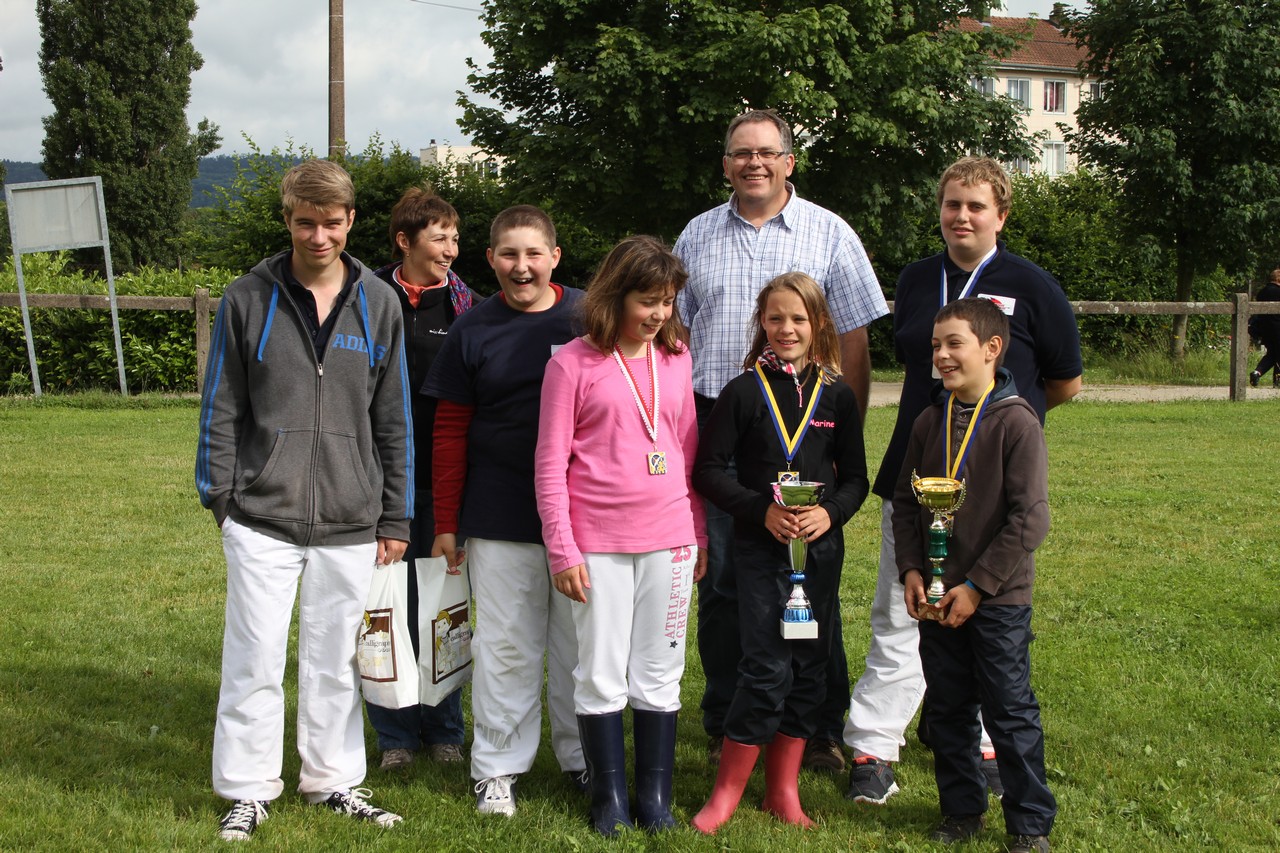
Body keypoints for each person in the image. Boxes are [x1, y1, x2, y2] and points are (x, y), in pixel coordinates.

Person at [843, 156, 1081, 806]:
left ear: (1001, 214)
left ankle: (978, 739)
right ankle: (874, 742)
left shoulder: (1032, 285)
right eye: (952, 204)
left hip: (992, 489)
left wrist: (1006, 429)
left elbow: (1065, 378)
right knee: (901, 609)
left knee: (982, 614)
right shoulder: (919, 279)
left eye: (976, 206)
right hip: (918, 473)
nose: (962, 216)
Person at [196, 159, 411, 841]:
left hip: (352, 517)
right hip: (261, 517)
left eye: (331, 222)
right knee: (254, 657)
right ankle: (247, 788)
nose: (319, 235)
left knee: (335, 660)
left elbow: (393, 415)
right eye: (305, 221)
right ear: (288, 219)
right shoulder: (246, 298)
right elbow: (220, 405)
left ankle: (333, 779)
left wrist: (396, 511)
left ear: (351, 221)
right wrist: (222, 499)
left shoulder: (378, 301)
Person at [674, 108, 888, 773]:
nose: (754, 163)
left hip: (806, 428)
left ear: (789, 162)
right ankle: (729, 719)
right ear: (726, 164)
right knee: (725, 585)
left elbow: (853, 338)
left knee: (809, 576)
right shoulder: (696, 235)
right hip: (720, 421)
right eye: (741, 152)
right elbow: (675, 334)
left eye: (767, 152)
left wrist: (834, 425)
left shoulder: (830, 233)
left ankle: (818, 724)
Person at [534, 235, 708, 835]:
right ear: (615, 295)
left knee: (660, 668)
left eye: (667, 301)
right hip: (597, 543)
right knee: (601, 669)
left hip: (671, 537)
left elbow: (686, 455)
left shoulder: (677, 358)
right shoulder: (572, 362)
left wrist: (699, 535)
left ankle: (653, 797)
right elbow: (550, 464)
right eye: (647, 301)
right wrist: (563, 547)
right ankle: (608, 797)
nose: (658, 314)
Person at [422, 205, 586, 818]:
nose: (522, 267)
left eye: (533, 254)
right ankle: (497, 769)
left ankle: (582, 761)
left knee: (580, 648)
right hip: (498, 512)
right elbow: (450, 431)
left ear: (554, 258)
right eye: (509, 255)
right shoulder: (474, 328)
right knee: (507, 648)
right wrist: (447, 520)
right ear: (490, 260)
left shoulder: (590, 317)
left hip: (583, 515)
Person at [690, 273, 869, 833]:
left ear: (819, 324)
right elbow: (708, 471)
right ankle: (725, 795)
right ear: (760, 324)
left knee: (810, 670)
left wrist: (829, 513)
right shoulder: (743, 392)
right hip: (760, 552)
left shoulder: (836, 394)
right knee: (765, 667)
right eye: (775, 318)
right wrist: (758, 510)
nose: (786, 328)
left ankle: (783, 792)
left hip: (817, 554)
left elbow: (856, 480)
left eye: (798, 318)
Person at [894, 297, 1056, 853]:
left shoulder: (1017, 421)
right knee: (947, 708)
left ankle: (1029, 821)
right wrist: (912, 569)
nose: (941, 354)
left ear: (991, 349)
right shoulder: (928, 421)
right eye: (935, 345)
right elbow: (903, 501)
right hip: (937, 595)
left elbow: (1031, 517)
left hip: (997, 597)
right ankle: (962, 811)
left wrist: (978, 585)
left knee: (1008, 709)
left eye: (953, 343)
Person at [365, 188, 481, 771]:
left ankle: (443, 729)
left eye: (455, 238)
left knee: (439, 604)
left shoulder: (468, 309)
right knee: (381, 607)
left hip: (442, 481)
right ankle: (394, 737)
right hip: (375, 480)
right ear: (404, 242)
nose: (451, 249)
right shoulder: (364, 300)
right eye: (440, 237)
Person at [1248, 268, 1280, 388]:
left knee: (1272, 354)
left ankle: (1257, 372)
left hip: (1265, 329)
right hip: (1278, 328)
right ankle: (1278, 381)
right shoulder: (1278, 291)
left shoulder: (1262, 292)